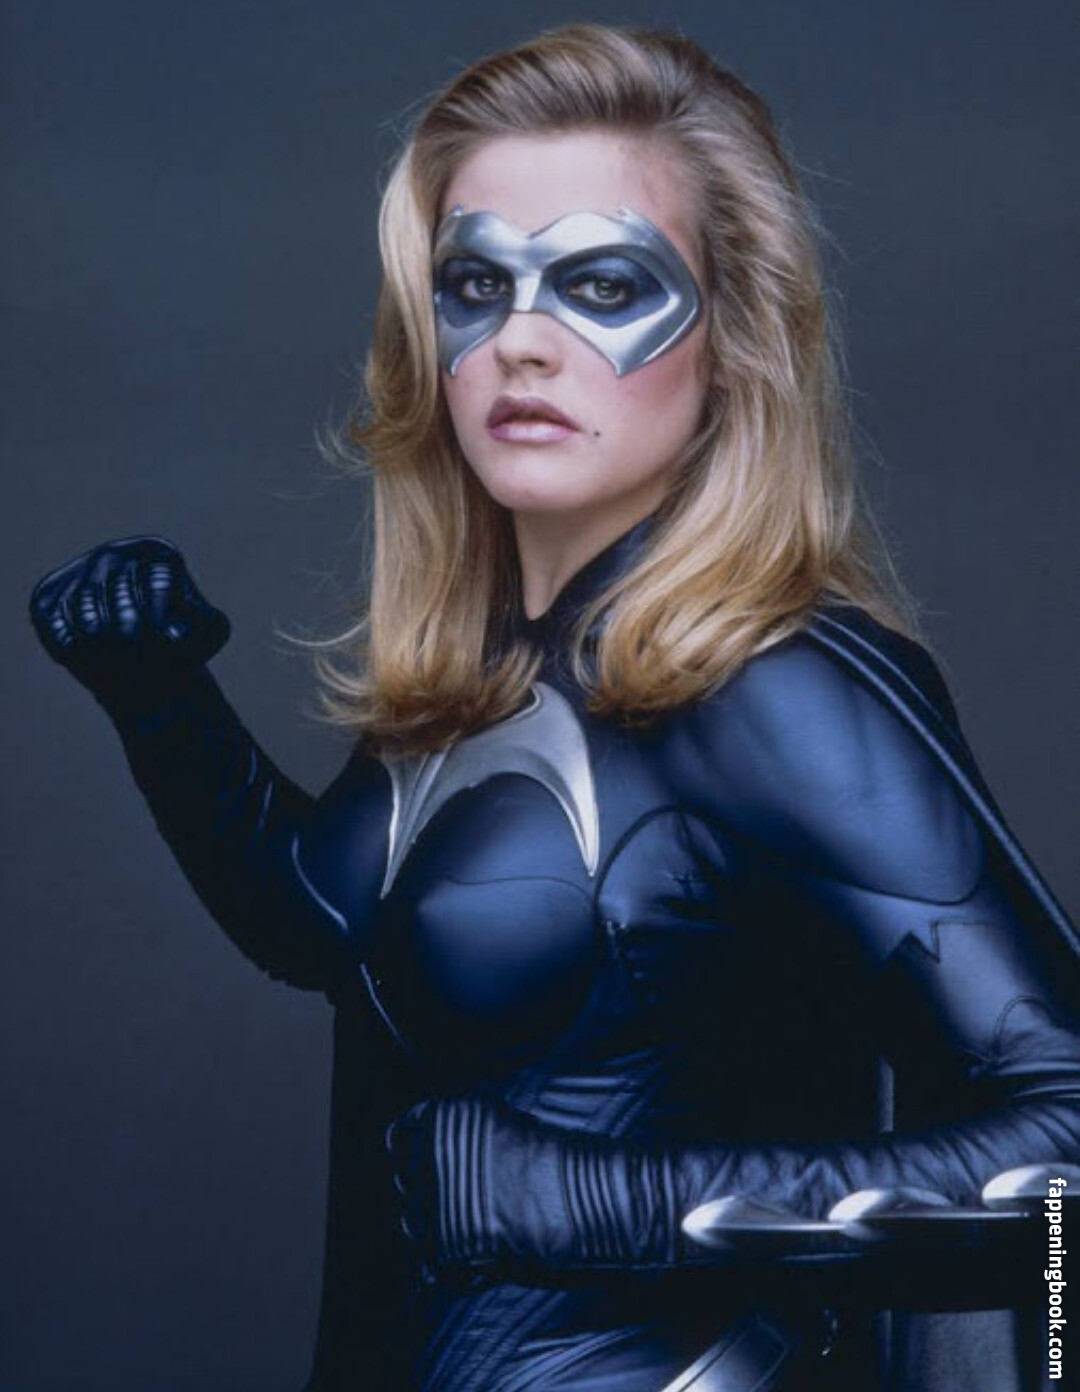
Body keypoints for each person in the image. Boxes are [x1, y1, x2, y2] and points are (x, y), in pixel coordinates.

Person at [28, 22, 1080, 1392]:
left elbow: (1065, 1161)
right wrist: (161, 699)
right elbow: (330, 927)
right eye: (475, 284)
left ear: (736, 338)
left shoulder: (778, 685)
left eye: (601, 284)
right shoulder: (482, 666)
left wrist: (612, 1205)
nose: (522, 342)